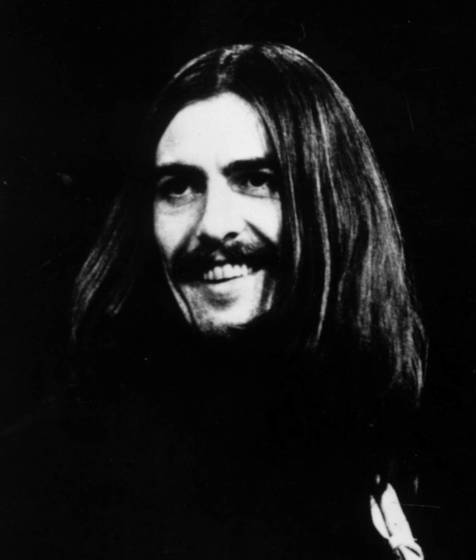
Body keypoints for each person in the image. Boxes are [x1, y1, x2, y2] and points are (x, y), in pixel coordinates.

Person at [2, 43, 428, 559]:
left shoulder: (363, 439)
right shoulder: (58, 474)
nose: (213, 224)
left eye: (256, 180)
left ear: (333, 203)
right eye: (179, 187)